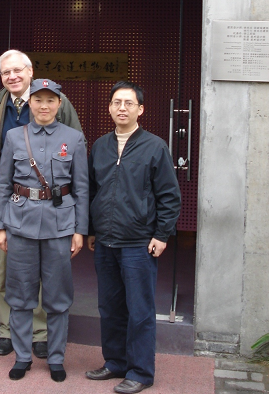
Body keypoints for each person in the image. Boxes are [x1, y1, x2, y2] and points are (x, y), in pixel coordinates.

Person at [0, 49, 84, 359]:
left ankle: (40, 333)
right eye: (6, 72)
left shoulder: (57, 101)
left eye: (17, 70)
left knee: (46, 274)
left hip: (51, 208)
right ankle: (8, 331)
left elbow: (75, 145)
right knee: (9, 272)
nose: (12, 76)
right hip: (13, 203)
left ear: (30, 72)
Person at [86, 80, 181, 394]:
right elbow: (93, 191)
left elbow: (169, 196)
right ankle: (115, 362)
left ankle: (140, 372)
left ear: (140, 109)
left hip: (139, 242)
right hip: (105, 241)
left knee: (140, 310)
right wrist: (91, 230)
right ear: (110, 108)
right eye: (116, 102)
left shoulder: (155, 146)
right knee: (110, 307)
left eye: (128, 103)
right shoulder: (100, 146)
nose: (122, 108)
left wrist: (162, 234)